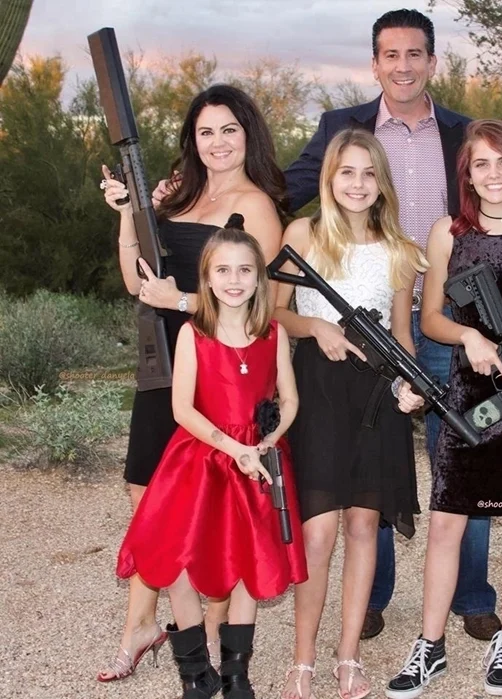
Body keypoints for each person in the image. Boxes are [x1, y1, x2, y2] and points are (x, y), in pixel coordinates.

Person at [283, 8, 502, 642]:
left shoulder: (463, 132)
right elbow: (286, 188)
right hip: (375, 321)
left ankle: (471, 596)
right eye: (390, 55)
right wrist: (202, 192)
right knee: (376, 460)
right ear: (375, 64)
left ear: (432, 61)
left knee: (468, 455)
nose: (403, 66)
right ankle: (372, 597)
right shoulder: (342, 129)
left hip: (456, 319)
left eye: (414, 53)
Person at [98, 84, 286, 682]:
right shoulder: (181, 193)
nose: (218, 142)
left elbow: (261, 306)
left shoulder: (257, 207)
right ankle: (144, 623)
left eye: (229, 129)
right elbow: (138, 281)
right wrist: (129, 214)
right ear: (192, 140)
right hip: (163, 361)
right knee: (147, 492)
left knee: (215, 504)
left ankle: (206, 631)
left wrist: (180, 299)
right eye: (206, 131)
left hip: (220, 370)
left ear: (248, 135)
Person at [385, 119, 502, 698]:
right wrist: (468, 336)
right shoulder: (448, 232)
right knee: (447, 520)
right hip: (470, 393)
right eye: (480, 165)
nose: (493, 175)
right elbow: (430, 318)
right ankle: (430, 646)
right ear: (465, 174)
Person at [116, 222, 308, 699]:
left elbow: (289, 400)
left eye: (244, 270)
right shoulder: (194, 333)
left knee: (247, 560)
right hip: (201, 459)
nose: (234, 280)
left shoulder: (273, 333)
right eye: (223, 270)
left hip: (256, 463)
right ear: (206, 277)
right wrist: (231, 447)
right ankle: (195, 673)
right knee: (176, 560)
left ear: (259, 278)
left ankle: (236, 674)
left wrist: (268, 440)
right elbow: (182, 409)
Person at [276, 129, 427, 699]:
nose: (358, 184)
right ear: (329, 179)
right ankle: (302, 662)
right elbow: (274, 313)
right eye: (347, 172)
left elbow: (403, 334)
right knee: (317, 534)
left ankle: (348, 658)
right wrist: (316, 326)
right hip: (316, 388)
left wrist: (412, 384)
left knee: (364, 527)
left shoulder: (400, 249)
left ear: (381, 182)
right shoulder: (303, 234)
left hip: (376, 394)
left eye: (368, 173)